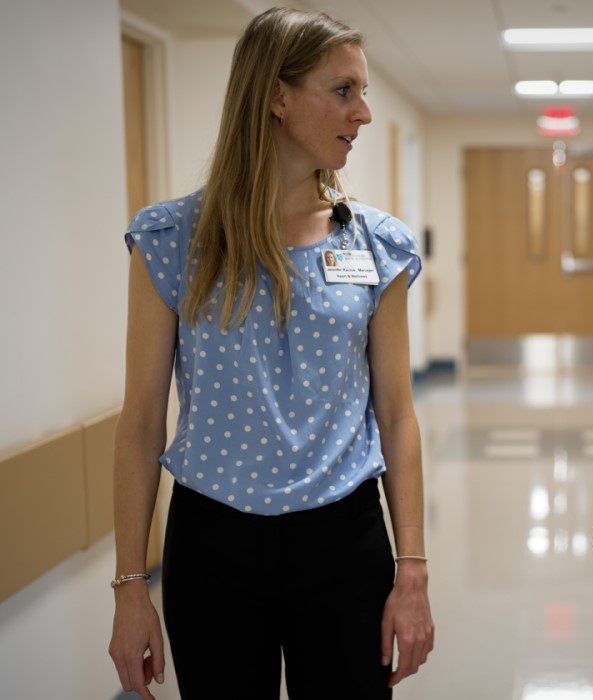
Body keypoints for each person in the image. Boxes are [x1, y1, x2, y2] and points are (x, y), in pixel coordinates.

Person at [108, 8, 433, 699]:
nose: (365, 112)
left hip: (344, 539)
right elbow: (140, 422)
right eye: (343, 90)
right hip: (213, 543)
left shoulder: (376, 246)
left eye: (365, 91)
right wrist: (130, 587)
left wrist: (413, 572)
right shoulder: (172, 241)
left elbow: (398, 416)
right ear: (277, 97)